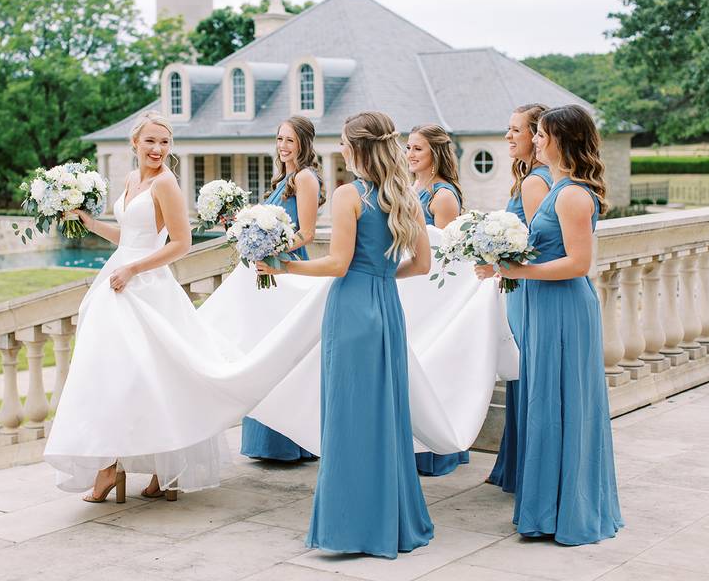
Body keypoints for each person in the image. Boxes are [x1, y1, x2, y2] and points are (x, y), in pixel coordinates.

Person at [259, 111, 434, 558]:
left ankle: (348, 527)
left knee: (348, 416)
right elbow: (422, 264)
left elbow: (336, 263)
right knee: (385, 414)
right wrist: (380, 277)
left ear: (357, 147)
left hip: (351, 310)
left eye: (343, 142)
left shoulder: (347, 194)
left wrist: (284, 265)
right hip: (385, 306)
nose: (339, 149)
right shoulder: (404, 196)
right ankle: (391, 521)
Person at [44, 112, 223, 503]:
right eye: (150, 142)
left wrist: (134, 268)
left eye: (164, 142)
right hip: (118, 280)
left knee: (152, 376)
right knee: (109, 374)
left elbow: (180, 243)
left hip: (147, 285)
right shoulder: (130, 180)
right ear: (135, 144)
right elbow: (128, 235)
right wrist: (88, 222)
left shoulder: (166, 183)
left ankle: (163, 468)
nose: (158, 149)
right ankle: (111, 466)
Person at [497, 104, 623, 544]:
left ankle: (563, 510)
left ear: (561, 140)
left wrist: (517, 272)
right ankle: (547, 507)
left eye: (542, 134)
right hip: (547, 304)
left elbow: (578, 264)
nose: (534, 140)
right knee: (546, 403)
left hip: (565, 307)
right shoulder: (558, 187)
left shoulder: (571, 194)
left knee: (561, 404)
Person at [240, 117, 325, 462]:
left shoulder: (305, 178)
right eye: (279, 139)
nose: (283, 146)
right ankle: (267, 441)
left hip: (289, 272)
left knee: (287, 354)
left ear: (304, 142)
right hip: (268, 272)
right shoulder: (283, 179)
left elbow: (307, 233)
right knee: (266, 350)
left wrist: (275, 253)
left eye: (290, 140)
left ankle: (291, 442)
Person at [475, 103, 551, 493]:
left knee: (525, 372)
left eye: (516, 130)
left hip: (527, 287)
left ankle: (523, 469)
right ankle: (515, 464)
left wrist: (498, 263)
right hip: (519, 287)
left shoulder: (536, 182)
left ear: (539, 137)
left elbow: (537, 245)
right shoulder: (531, 177)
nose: (508, 136)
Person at [406, 124, 471, 477]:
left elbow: (448, 257)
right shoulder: (412, 187)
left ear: (436, 154)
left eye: (418, 149)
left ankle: (434, 453)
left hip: (430, 289)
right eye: (409, 147)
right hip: (410, 286)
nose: (411, 154)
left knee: (429, 366)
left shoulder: (442, 196)